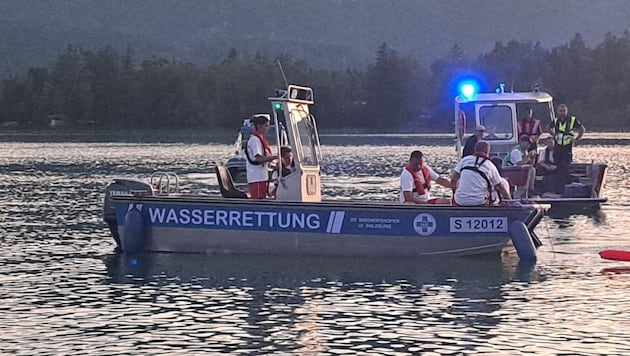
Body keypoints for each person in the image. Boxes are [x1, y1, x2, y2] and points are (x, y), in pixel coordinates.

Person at [451, 141, 511, 206]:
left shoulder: (465, 160)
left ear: (475, 150)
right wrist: (509, 200)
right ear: (488, 152)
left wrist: (455, 192)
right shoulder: (490, 165)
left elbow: (453, 179)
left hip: (460, 201)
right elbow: (500, 186)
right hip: (479, 202)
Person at [551, 104, 585, 189]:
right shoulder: (556, 120)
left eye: (563, 111)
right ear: (558, 112)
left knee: (565, 166)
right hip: (558, 146)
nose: (562, 113)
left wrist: (577, 139)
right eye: (560, 111)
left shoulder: (572, 120)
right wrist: (554, 135)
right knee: (558, 166)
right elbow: (548, 127)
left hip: (567, 147)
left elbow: (582, 129)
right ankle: (558, 186)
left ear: (567, 111)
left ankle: (565, 186)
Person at [245, 115, 278, 199]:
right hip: (256, 177)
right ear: (259, 126)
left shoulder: (259, 139)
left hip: (261, 176)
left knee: (262, 196)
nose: (268, 128)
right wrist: (276, 157)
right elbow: (259, 159)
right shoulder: (255, 140)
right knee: (258, 198)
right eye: (266, 126)